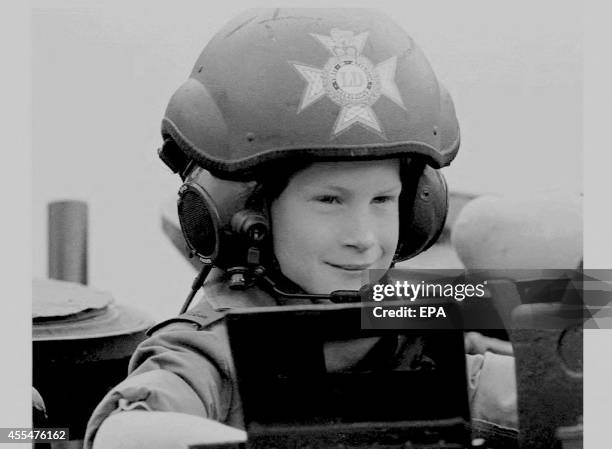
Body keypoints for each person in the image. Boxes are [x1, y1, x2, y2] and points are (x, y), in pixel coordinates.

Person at [85, 9, 516, 449]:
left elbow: (558, 332)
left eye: (383, 200)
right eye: (330, 201)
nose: (363, 238)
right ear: (248, 212)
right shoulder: (215, 345)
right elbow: (127, 431)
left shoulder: (407, 306)